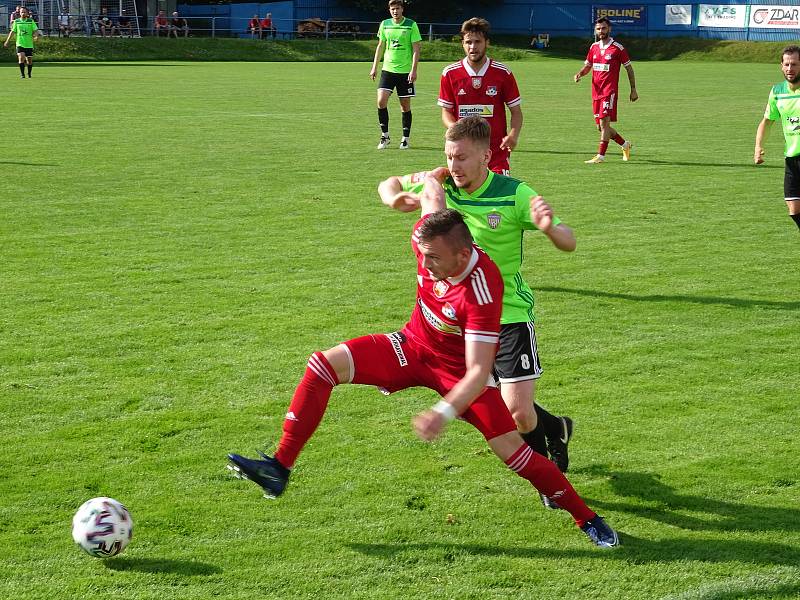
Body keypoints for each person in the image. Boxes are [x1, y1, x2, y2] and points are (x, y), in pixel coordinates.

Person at [227, 173, 619, 548]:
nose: (425, 264)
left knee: (515, 454)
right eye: (423, 252)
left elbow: (480, 370)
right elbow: (432, 188)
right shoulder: (429, 234)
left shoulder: (482, 291)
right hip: (411, 345)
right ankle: (279, 468)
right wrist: (403, 190)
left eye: (434, 258)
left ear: (463, 253)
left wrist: (441, 413)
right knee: (322, 365)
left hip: (459, 375)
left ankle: (587, 518)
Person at [379, 116, 576, 509]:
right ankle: (552, 444)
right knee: (504, 407)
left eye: (463, 158)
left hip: (509, 314)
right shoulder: (442, 182)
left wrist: (548, 227)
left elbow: (569, 241)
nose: (454, 166)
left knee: (517, 413)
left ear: (486, 156)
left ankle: (549, 435)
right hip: (462, 318)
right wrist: (393, 197)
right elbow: (389, 183)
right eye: (450, 156)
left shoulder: (514, 193)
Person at [438, 18, 522, 176]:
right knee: (467, 197)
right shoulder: (449, 73)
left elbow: (516, 111)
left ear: (487, 42)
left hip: (496, 152)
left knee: (498, 196)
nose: (473, 47)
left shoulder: (503, 73)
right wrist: (455, 128)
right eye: (468, 42)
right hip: (463, 153)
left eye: (478, 41)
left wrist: (513, 135)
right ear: (462, 43)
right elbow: (446, 111)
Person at [573, 17, 638, 164]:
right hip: (596, 91)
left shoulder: (618, 48)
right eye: (598, 28)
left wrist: (633, 89)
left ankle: (600, 156)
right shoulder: (593, 47)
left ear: (609, 29)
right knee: (602, 127)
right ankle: (625, 144)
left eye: (603, 28)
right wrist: (580, 74)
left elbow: (629, 68)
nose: (601, 31)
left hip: (609, 91)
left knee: (603, 124)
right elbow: (588, 66)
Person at [754, 45, 800, 232]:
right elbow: (767, 121)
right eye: (787, 64)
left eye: (795, 64)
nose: (790, 69)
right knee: (794, 209)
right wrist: (758, 146)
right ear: (781, 66)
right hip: (791, 158)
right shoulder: (777, 91)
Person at [369, 0, 421, 150]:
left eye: (397, 8)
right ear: (389, 10)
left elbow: (416, 49)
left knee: (405, 106)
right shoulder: (385, 24)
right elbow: (380, 46)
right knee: (381, 101)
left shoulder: (411, 25)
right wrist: (374, 67)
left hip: (405, 72)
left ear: (402, 9)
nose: (395, 11)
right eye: (392, 9)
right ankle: (385, 136)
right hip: (388, 70)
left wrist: (414, 70)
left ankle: (405, 138)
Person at [4, 6, 40, 79]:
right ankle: (22, 75)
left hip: (29, 44)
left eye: (24, 12)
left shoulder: (30, 21)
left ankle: (29, 74)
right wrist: (7, 41)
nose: (23, 13)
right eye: (21, 12)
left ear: (27, 13)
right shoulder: (17, 21)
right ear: (19, 13)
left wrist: (36, 36)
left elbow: (36, 30)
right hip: (20, 43)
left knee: (29, 61)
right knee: (21, 57)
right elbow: (12, 32)